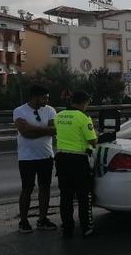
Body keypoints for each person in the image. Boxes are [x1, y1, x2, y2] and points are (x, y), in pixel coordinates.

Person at [13, 85, 58, 233]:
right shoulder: (19, 111)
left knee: (45, 187)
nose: (47, 100)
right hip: (27, 158)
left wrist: (33, 129)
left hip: (46, 155)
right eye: (44, 97)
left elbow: (54, 130)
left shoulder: (50, 110)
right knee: (27, 188)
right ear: (35, 97)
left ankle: (42, 219)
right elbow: (25, 133)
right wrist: (44, 131)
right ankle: (23, 221)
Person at [53, 91, 97, 238]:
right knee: (84, 196)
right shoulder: (83, 117)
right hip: (79, 160)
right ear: (84, 102)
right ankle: (86, 227)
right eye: (87, 103)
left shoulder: (59, 116)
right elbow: (93, 141)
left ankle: (67, 227)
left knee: (66, 196)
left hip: (61, 159)